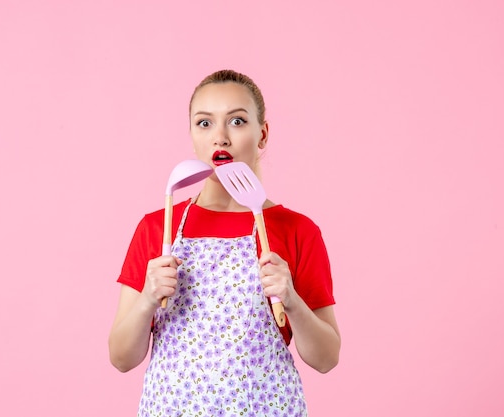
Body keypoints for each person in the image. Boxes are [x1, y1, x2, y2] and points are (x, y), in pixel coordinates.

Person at [108, 69, 341, 416]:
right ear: (191, 135)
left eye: (236, 121)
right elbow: (121, 358)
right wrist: (147, 301)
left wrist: (291, 300)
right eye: (205, 123)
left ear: (262, 134)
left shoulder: (297, 230)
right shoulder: (157, 228)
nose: (220, 137)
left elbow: (326, 359)